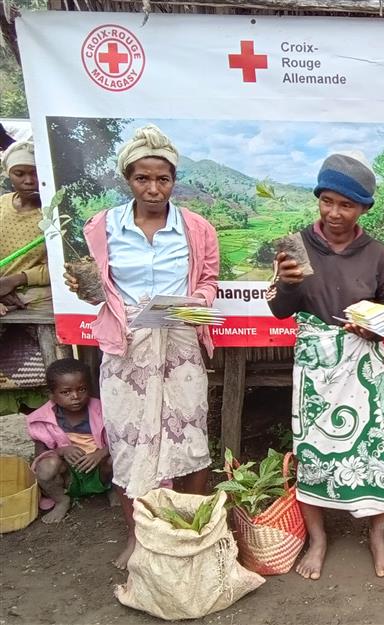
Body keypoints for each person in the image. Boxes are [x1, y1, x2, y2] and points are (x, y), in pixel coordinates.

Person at [64, 124, 219, 569]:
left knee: (188, 437)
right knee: (129, 442)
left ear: (174, 180)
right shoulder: (101, 227)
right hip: (126, 345)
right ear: (127, 179)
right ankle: (139, 537)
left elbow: (208, 281)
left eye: (163, 179)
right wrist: (90, 292)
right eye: (142, 178)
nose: (153, 188)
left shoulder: (197, 228)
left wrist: (194, 303)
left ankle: (190, 531)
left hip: (180, 340)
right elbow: (98, 287)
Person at [267, 152, 384, 580]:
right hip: (315, 367)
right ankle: (318, 539)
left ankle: (378, 536)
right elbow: (279, 310)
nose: (334, 213)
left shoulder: (377, 253)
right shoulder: (296, 246)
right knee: (311, 452)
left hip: (362, 367)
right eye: (327, 201)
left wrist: (375, 327)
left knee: (374, 449)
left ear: (363, 208)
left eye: (346, 205)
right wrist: (287, 285)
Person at [27, 359, 112, 524]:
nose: (75, 397)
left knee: (117, 458)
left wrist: (101, 453)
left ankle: (111, 489)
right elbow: (40, 456)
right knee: (45, 467)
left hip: (100, 470)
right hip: (68, 477)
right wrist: (63, 451)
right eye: (66, 392)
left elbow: (121, 443)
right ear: (51, 394)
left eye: (82, 389)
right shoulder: (42, 419)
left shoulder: (103, 410)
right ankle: (61, 500)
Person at [0, 140, 50, 315]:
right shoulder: (2, 204)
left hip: (37, 295)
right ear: (8, 174)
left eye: (35, 173)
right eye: (19, 174)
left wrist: (15, 280)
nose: (29, 181)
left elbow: (63, 266)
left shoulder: (54, 214)